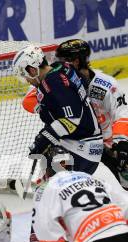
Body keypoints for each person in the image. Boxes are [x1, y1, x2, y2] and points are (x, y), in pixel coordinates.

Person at [12, 44, 104, 242]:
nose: (26, 81)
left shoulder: (52, 82)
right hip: (83, 145)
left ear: (33, 69)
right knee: (61, 196)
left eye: (25, 75)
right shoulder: (60, 69)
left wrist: (44, 139)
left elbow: (71, 118)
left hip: (80, 148)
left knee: (45, 193)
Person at [55, 39, 128, 187]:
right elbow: (29, 102)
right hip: (79, 146)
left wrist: (121, 145)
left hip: (108, 148)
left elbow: (123, 114)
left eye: (62, 61)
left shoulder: (106, 85)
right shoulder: (59, 83)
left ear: (76, 61)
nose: (58, 66)